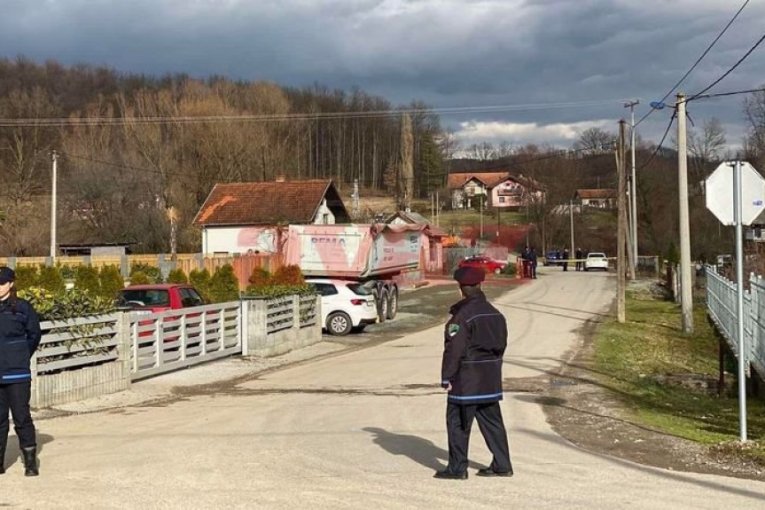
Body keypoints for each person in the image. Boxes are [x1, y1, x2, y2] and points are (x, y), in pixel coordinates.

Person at [435, 266, 513, 480]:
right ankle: (502, 464)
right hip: (490, 378)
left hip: (466, 380)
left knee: (458, 423)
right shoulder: (496, 314)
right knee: (493, 423)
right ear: (480, 285)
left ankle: (457, 468)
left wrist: (447, 377)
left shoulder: (462, 317)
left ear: (460, 288)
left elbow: (454, 350)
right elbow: (501, 345)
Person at [0, 267, 41, 476]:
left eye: (2, 283)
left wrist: (21, 355)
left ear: (11, 284)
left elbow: (34, 335)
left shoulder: (22, 308)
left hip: (17, 374)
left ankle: (30, 463)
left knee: (21, 417)